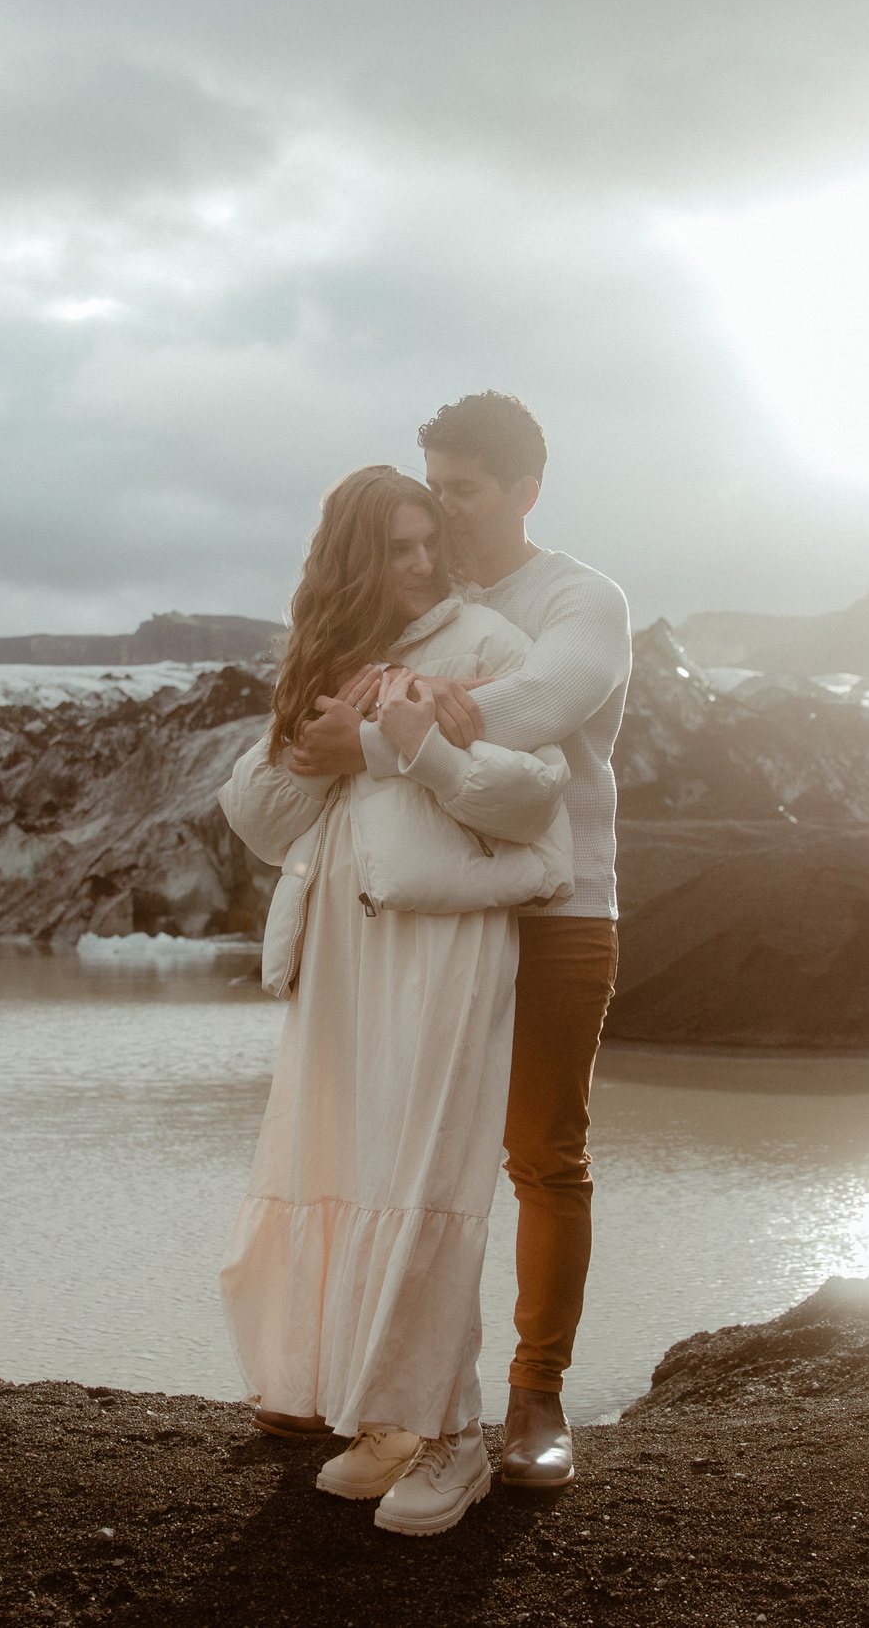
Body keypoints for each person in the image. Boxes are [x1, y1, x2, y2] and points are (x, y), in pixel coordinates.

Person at [217, 464, 575, 1537]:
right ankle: (387, 1415)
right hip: (343, 945)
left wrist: (405, 743)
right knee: (347, 1165)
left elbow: (531, 798)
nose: (421, 565)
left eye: (430, 543)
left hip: (443, 941)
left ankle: (457, 1438)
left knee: (425, 1176)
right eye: (397, 548)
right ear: (351, 562)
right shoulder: (327, 658)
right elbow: (261, 820)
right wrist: (324, 744)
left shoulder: (485, 648)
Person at [287, 393, 632, 1490]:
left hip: (559, 910)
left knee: (541, 1155)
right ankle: (396, 1399)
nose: (442, 509)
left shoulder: (582, 597)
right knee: (406, 1155)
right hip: (435, 912)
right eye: (431, 485)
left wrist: (393, 729)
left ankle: (536, 1398)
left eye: (463, 490)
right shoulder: (416, 593)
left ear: (524, 492)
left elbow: (535, 705)